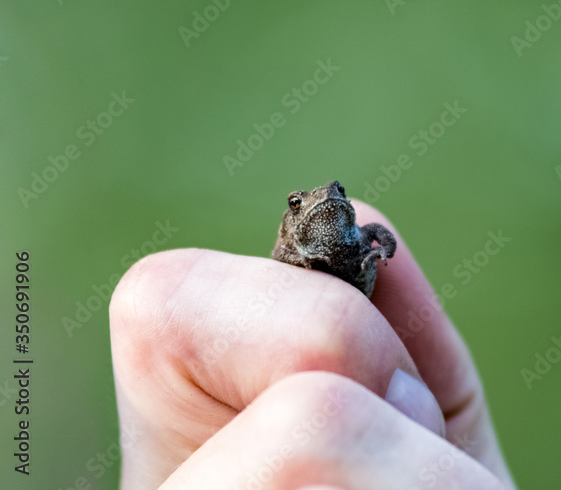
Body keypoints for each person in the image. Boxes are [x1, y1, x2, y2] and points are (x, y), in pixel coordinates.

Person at [109, 200, 515, 489]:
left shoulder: (357, 236)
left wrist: (382, 255)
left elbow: (379, 235)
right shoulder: (291, 248)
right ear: (291, 217)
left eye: (336, 193)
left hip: (364, 301)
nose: (326, 200)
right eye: (300, 202)